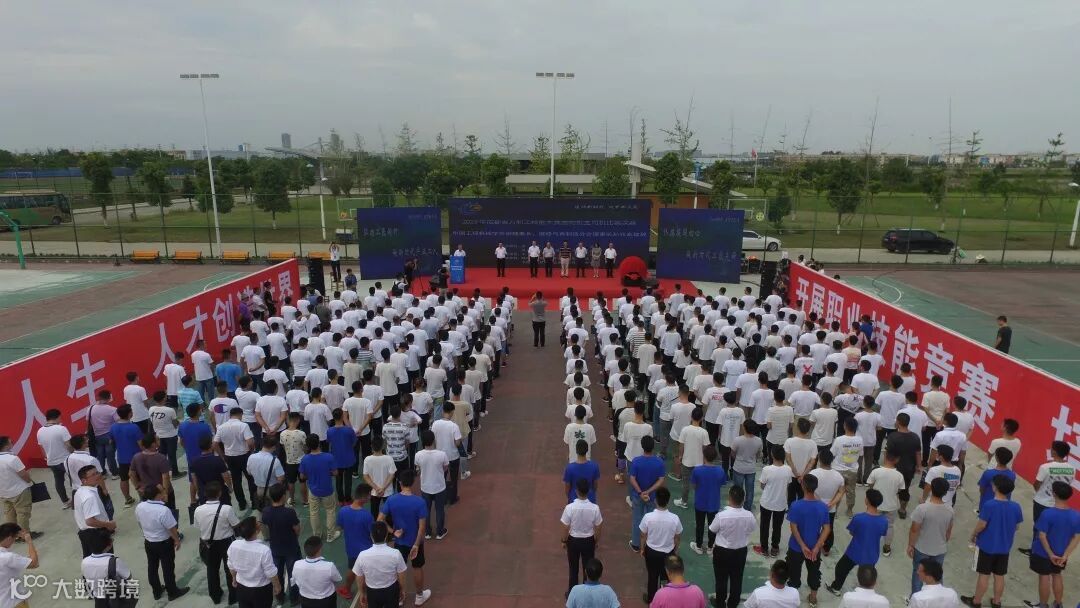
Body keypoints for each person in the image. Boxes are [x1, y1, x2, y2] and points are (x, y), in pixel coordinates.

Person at [962, 475, 1023, 608]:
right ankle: (996, 601)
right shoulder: (1016, 507)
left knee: (984, 574)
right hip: (1005, 547)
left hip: (987, 546)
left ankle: (976, 601)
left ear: (996, 487)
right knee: (999, 575)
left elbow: (982, 525)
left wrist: (973, 534)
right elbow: (1016, 527)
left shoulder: (989, 505)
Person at [377, 469, 432, 606]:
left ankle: (400, 598)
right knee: (417, 567)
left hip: (399, 542)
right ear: (412, 483)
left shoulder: (391, 500)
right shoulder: (419, 502)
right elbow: (422, 528)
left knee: (399, 569)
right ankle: (419, 596)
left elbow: (379, 520)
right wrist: (416, 545)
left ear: (399, 482)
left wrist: (393, 531)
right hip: (415, 542)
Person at [824, 489, 888, 596]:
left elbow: (852, 532)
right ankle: (865, 594)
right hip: (872, 554)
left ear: (867, 501)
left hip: (855, 551)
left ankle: (836, 588)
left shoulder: (859, 518)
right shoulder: (884, 520)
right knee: (867, 576)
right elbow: (882, 533)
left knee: (841, 568)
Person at [1027, 481, 1080, 608]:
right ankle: (1058, 603)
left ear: (1054, 494)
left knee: (1044, 577)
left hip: (1043, 553)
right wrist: (1065, 555)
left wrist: (1050, 554)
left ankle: (1043, 605)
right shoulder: (1076, 515)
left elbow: (1042, 535)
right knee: (1057, 575)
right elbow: (1076, 537)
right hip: (1061, 553)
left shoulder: (1047, 513)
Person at [134, 484, 189, 601]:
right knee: (168, 568)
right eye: (161, 492)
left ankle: (157, 591)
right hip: (164, 543)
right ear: (157, 495)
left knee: (152, 567)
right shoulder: (163, 510)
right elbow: (171, 528)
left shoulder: (140, 507)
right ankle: (172, 592)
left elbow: (140, 523)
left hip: (149, 541)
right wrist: (177, 540)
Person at [784, 475, 831, 607]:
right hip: (814, 547)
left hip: (796, 547)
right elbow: (827, 529)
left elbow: (793, 528)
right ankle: (813, 598)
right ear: (816, 487)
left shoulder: (795, 506)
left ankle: (792, 598)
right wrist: (817, 547)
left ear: (803, 486)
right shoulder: (823, 507)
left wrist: (802, 545)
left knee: (793, 572)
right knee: (814, 572)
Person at [709, 485, 755, 608]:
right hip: (740, 551)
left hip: (722, 552)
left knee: (721, 579)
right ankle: (733, 603)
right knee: (737, 579)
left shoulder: (721, 515)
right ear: (743, 499)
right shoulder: (749, 515)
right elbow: (751, 528)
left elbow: (712, 529)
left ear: (729, 498)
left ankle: (720, 603)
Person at [194, 481, 240, 605]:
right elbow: (235, 524)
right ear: (219, 493)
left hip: (208, 544)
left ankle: (215, 595)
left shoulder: (198, 510)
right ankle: (233, 595)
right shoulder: (226, 509)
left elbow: (197, 526)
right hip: (226, 542)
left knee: (212, 569)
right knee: (230, 568)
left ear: (205, 494)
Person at [907, 477, 953, 596]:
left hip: (922, 548)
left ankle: (915, 598)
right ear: (945, 492)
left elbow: (914, 529)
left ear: (931, 489)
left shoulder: (922, 508)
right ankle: (937, 598)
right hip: (940, 549)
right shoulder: (949, 510)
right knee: (937, 576)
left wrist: (911, 545)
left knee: (918, 574)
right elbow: (948, 532)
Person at [346, 521, 407, 608]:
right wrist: (402, 589)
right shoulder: (395, 553)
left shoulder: (362, 555)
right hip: (391, 590)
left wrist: (362, 593)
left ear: (371, 536)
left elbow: (359, 577)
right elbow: (401, 575)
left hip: (372, 592)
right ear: (386, 536)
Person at [561, 477, 603, 597]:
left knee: (573, 569)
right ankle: (586, 593)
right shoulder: (595, 508)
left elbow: (565, 527)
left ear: (576, 491)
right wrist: (596, 540)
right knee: (588, 568)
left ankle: (572, 593)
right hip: (589, 540)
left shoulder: (569, 508)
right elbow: (598, 526)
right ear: (589, 490)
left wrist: (564, 540)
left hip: (573, 540)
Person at [228, 516, 283, 608]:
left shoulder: (234, 545)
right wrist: (277, 585)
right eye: (258, 523)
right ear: (257, 531)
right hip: (261, 590)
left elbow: (231, 566)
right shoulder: (264, 550)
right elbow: (270, 572)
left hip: (242, 587)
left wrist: (234, 579)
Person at [639, 487, 682, 604]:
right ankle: (666, 600)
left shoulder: (648, 517)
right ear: (668, 501)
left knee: (652, 576)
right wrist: (675, 550)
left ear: (655, 500)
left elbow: (643, 535)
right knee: (666, 577)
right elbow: (677, 537)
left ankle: (652, 599)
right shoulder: (674, 518)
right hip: (668, 552)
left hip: (651, 552)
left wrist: (642, 549)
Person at [261, 484, 301, 603]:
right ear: (283, 496)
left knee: (277, 573)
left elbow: (265, 525)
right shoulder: (289, 512)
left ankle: (280, 596)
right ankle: (294, 598)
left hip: (275, 548)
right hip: (291, 547)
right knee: (293, 574)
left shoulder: (266, 512)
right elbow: (296, 529)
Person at [300, 434, 340, 542]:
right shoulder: (328, 457)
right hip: (327, 490)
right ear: (318, 443)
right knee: (330, 511)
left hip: (313, 490)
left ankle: (317, 534)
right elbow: (335, 473)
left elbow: (302, 476)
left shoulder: (305, 459)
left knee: (313, 512)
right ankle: (330, 535)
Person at [629, 436, 665, 551]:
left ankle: (636, 544)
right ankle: (649, 543)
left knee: (637, 519)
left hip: (638, 496)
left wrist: (640, 492)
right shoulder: (659, 462)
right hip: (652, 496)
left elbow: (632, 479)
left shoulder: (636, 461)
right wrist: (649, 491)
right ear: (653, 447)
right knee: (652, 520)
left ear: (642, 446)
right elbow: (661, 480)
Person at [689, 445, 727, 554]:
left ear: (704, 456)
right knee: (712, 526)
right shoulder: (720, 471)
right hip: (714, 503)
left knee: (699, 525)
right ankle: (710, 547)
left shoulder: (697, 470)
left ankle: (699, 546)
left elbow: (694, 486)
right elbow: (722, 484)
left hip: (700, 502)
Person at [81, 529, 133, 608]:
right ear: (109, 544)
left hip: (98, 599)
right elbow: (128, 577)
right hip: (115, 599)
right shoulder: (114, 562)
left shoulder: (84, 562)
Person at [755, 446, 792, 557]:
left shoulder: (767, 469)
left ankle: (764, 549)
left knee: (764, 526)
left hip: (767, 502)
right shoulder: (788, 469)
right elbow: (788, 484)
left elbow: (762, 485)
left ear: (772, 455)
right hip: (780, 503)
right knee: (777, 526)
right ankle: (775, 548)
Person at [414, 431, 449, 540]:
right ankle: (439, 532)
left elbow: (418, 467)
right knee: (439, 509)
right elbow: (445, 468)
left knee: (426, 510)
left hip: (425, 487)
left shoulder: (418, 455)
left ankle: (427, 532)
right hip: (439, 486)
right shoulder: (442, 454)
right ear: (434, 440)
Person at [36, 408, 73, 507]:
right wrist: (74, 453)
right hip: (65, 460)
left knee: (59, 481)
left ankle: (65, 502)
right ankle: (77, 499)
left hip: (52, 461)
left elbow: (41, 448)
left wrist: (46, 458)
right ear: (58, 417)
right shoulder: (61, 429)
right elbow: (68, 445)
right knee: (73, 479)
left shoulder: (40, 431)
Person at [292, 535, 342, 608]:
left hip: (305, 600)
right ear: (320, 550)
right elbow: (337, 579)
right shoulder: (329, 566)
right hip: (326, 601)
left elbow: (295, 579)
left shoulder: (297, 564)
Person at [337, 483, 375, 578]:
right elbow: (372, 534)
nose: (370, 497)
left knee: (352, 568)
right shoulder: (367, 515)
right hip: (366, 550)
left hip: (351, 548)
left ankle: (347, 586)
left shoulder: (343, 511)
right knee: (365, 572)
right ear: (364, 497)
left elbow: (340, 527)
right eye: (369, 495)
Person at [0, 523, 38, 607]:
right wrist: (29, 541)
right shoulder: (8, 557)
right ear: (9, 538)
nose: (14, 541)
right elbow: (34, 563)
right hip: (14, 603)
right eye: (15, 538)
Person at [732, 420, 763, 509]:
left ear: (745, 428)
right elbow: (758, 455)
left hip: (738, 468)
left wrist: (738, 458)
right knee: (750, 490)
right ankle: (748, 508)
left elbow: (733, 453)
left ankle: (737, 506)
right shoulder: (758, 440)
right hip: (751, 469)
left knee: (738, 489)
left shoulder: (737, 440)